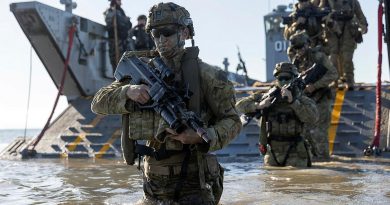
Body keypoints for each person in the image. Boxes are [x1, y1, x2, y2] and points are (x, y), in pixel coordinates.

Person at [92, 2, 242, 204]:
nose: (161, 40)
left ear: (185, 33)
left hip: (193, 186)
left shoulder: (209, 76)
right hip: (152, 187)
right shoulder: (141, 70)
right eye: (155, 34)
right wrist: (128, 92)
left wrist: (202, 138)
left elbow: (233, 121)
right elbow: (98, 102)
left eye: (167, 32)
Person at [236, 62, 318, 167]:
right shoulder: (267, 96)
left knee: (297, 181)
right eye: (280, 78)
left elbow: (313, 117)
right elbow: (238, 106)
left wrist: (293, 102)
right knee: (271, 181)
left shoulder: (301, 98)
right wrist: (258, 105)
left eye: (287, 78)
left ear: (293, 79)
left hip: (296, 152)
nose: (283, 82)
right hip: (272, 153)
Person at [288, 31, 338, 160]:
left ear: (307, 45)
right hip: (306, 100)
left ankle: (324, 160)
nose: (299, 50)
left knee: (320, 132)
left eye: (301, 47)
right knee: (305, 132)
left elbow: (333, 74)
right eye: (296, 48)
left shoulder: (319, 57)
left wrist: (315, 85)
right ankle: (313, 159)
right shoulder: (296, 61)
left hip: (321, 98)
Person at [320, 0, 368, 89]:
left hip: (349, 29)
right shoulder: (326, 1)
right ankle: (334, 81)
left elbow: (360, 14)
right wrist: (327, 18)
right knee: (333, 57)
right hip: (332, 30)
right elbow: (320, 11)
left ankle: (349, 81)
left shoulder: (352, 2)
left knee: (347, 56)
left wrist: (363, 25)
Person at [104, 0, 132, 70]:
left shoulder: (122, 12)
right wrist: (113, 16)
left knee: (126, 59)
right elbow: (109, 23)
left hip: (124, 40)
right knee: (116, 60)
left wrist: (127, 20)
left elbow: (129, 25)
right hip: (115, 40)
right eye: (118, 0)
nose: (120, 2)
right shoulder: (111, 11)